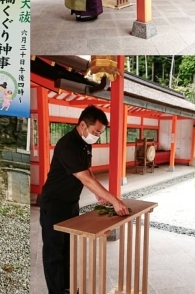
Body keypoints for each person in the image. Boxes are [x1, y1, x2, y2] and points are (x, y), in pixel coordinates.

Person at [38, 105, 129, 294]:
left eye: (100, 133)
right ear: (82, 125)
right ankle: (57, 291)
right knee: (54, 253)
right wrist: (114, 200)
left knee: (69, 250)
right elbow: (84, 178)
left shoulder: (85, 143)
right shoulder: (67, 145)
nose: (97, 136)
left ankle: (69, 288)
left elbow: (88, 171)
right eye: (96, 131)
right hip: (54, 204)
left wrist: (98, 192)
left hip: (71, 203)